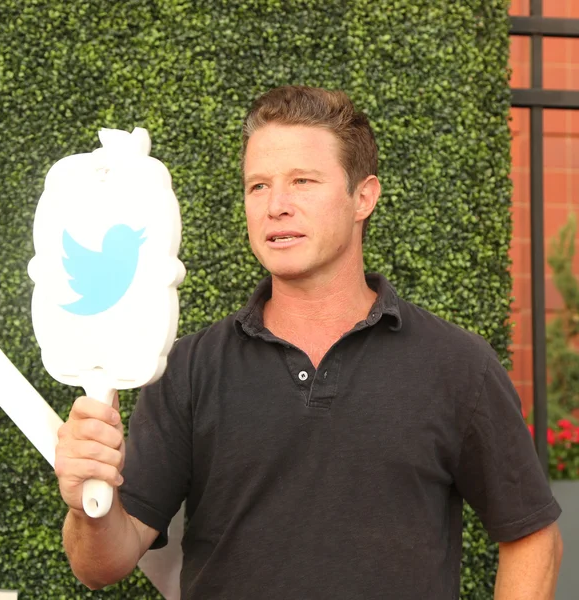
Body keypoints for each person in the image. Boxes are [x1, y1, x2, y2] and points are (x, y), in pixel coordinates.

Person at [55, 86, 563, 599]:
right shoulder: (188, 367)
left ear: (363, 197)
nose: (276, 205)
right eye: (258, 186)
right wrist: (87, 506)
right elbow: (102, 564)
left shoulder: (456, 365)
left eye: (303, 181)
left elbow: (533, 535)